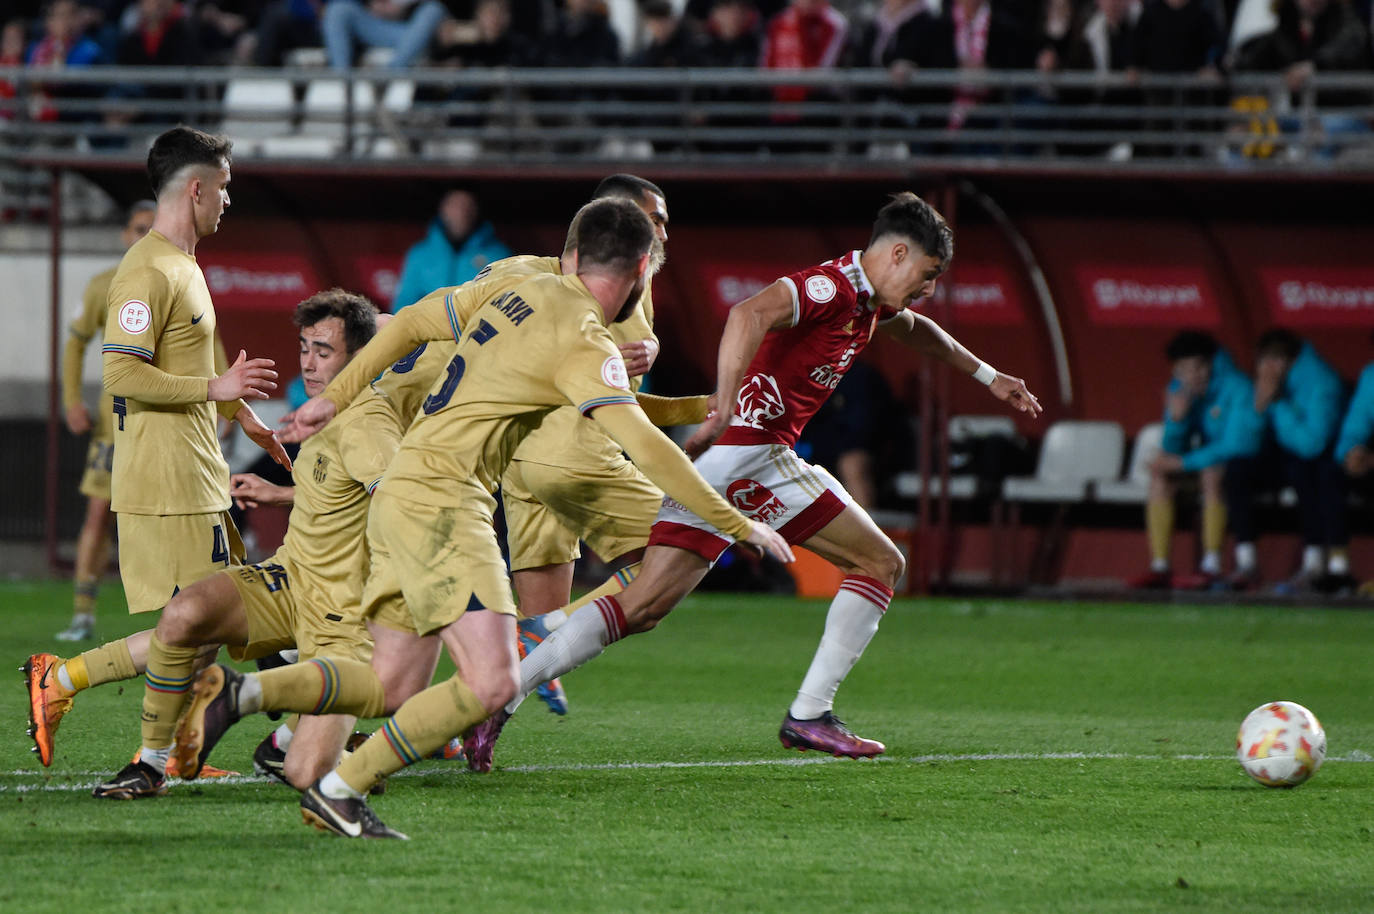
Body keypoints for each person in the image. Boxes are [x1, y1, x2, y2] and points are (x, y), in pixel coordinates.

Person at [177, 197, 792, 838]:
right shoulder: (585, 340)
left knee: (391, 686)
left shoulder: (516, 286)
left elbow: (409, 320)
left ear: (573, 254)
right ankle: (339, 787)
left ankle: (243, 696)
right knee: (494, 681)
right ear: (642, 268)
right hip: (446, 504)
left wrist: (332, 397)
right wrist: (740, 523)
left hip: (403, 493)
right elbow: (642, 444)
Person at [467, 192, 1041, 773]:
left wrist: (990, 375)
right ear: (896, 254)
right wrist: (720, 409)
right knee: (872, 565)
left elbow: (919, 330)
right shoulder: (829, 288)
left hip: (749, 460)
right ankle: (809, 715)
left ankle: (502, 698)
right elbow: (748, 313)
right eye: (928, 273)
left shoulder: (869, 302)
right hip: (748, 454)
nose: (929, 289)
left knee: (648, 606)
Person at [277, 175, 674, 718]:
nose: (659, 233)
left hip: (497, 455)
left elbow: (408, 320)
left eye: (662, 223)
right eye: (650, 221)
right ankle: (300, 687)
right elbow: (406, 321)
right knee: (676, 549)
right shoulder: (545, 284)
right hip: (480, 459)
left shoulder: (569, 287)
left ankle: (287, 699)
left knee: (429, 660)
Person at [23, 125, 289, 774]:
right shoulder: (145, 271)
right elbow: (122, 374)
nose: (227, 201)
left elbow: (187, 364)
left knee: (199, 636)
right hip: (168, 484)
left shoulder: (182, 265)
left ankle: (167, 749)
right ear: (196, 189)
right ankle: (67, 683)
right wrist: (215, 386)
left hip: (197, 474)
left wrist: (239, 410)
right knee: (205, 625)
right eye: (223, 189)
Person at [88, 289, 407, 798]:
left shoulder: (367, 423)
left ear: (358, 358)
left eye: (323, 351)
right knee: (183, 615)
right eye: (304, 347)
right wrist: (280, 493)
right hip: (290, 580)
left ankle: (324, 736)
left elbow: (398, 504)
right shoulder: (322, 409)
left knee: (309, 775)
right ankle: (149, 766)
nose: (307, 362)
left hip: (343, 615)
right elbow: (343, 493)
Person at [56, 199, 156, 642]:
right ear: (125, 234)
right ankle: (82, 613)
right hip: (112, 426)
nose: (143, 237)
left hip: (163, 424)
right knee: (99, 515)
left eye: (151, 229)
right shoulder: (104, 285)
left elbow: (211, 343)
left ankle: (179, 616)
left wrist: (226, 407)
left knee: (168, 520)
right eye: (138, 228)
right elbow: (76, 344)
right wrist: (72, 399)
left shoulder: (177, 280)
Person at [1130, 331, 1262, 590]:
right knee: (1160, 477)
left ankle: (1211, 564)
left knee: (1212, 473)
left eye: (1200, 367)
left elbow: (1237, 446)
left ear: (1211, 363)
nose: (1195, 375)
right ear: (1176, 371)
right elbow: (1172, 448)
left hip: (1242, 468)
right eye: (1186, 370)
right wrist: (1178, 421)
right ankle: (1160, 566)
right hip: (1201, 464)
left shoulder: (1238, 388)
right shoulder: (1178, 390)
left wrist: (1183, 464)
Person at [1226, 328, 1348, 591]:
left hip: (1320, 458)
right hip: (1282, 453)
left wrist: (1279, 403)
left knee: (1305, 471)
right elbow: (1241, 443)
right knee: (1237, 470)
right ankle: (1247, 562)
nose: (1268, 368)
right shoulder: (1263, 383)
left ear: (1291, 361)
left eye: (1275, 360)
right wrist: (1258, 407)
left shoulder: (1321, 382)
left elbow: (1312, 445)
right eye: (1263, 361)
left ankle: (1314, 563)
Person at [392, 189, 511, 313]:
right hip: (429, 329)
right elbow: (403, 305)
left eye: (468, 206)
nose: (461, 213)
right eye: (454, 205)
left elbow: (503, 304)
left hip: (478, 328)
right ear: (442, 209)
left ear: (477, 210)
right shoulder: (420, 254)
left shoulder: (498, 254)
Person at [321, 0, 448, 70]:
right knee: (338, 8)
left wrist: (399, 6)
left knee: (432, 10)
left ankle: (391, 74)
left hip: (414, 29)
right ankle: (340, 77)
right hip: (376, 26)